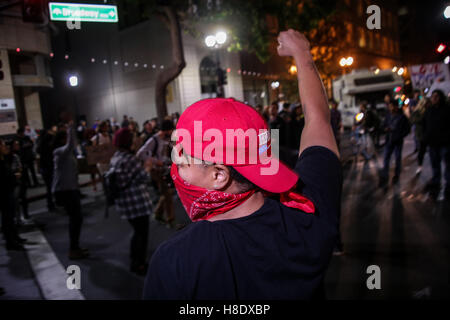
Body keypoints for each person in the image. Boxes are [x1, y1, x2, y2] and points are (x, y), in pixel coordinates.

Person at [143, 30, 342, 299]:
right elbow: (318, 120)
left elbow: (317, 119)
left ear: (218, 175)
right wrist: (302, 54)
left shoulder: (176, 260)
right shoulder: (306, 208)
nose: (174, 165)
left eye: (182, 157)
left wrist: (300, 54)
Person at [107, 128, 153, 276]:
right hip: (136, 202)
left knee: (137, 232)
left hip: (124, 202)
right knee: (141, 234)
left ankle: (135, 260)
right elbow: (144, 178)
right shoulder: (130, 159)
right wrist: (147, 167)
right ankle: (138, 264)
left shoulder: (116, 157)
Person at [52, 121, 89, 259]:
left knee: (76, 219)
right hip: (64, 191)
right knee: (75, 219)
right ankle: (73, 250)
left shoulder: (65, 154)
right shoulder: (59, 152)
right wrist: (70, 128)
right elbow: (70, 145)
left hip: (70, 189)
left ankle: (75, 247)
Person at [136, 120, 175, 226]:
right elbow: (140, 154)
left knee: (168, 192)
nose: (172, 132)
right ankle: (170, 221)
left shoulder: (165, 139)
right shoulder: (153, 139)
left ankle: (158, 213)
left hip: (162, 169)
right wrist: (155, 161)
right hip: (155, 170)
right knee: (167, 194)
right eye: (171, 130)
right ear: (166, 130)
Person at [0, 139, 27, 251]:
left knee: (11, 217)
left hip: (8, 191)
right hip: (4, 193)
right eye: (2, 145)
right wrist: (13, 177)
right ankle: (11, 242)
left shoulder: (3, 159)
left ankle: (15, 237)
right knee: (7, 219)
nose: (5, 147)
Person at [423, 90, 450, 197]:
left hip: (445, 143)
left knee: (447, 165)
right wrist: (425, 138)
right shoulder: (429, 110)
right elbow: (425, 124)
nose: (434, 99)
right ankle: (436, 182)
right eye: (433, 97)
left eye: (436, 96)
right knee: (435, 165)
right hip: (433, 143)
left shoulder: (447, 110)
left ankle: (448, 185)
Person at [380, 100, 410, 185]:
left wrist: (400, 135)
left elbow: (407, 129)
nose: (391, 108)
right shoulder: (388, 116)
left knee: (397, 158)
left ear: (396, 107)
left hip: (397, 141)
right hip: (389, 140)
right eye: (390, 106)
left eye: (392, 106)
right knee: (386, 158)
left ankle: (396, 175)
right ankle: (385, 175)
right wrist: (385, 129)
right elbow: (383, 125)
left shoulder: (402, 117)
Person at [36, 126, 57, 211]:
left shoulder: (41, 146)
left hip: (44, 167)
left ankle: (51, 203)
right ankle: (52, 203)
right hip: (49, 167)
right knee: (51, 186)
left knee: (49, 187)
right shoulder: (48, 148)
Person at [410, 98, 429, 175]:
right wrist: (423, 116)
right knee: (421, 151)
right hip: (421, 135)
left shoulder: (429, 110)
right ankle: (419, 166)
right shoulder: (417, 112)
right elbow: (414, 120)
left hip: (429, 134)